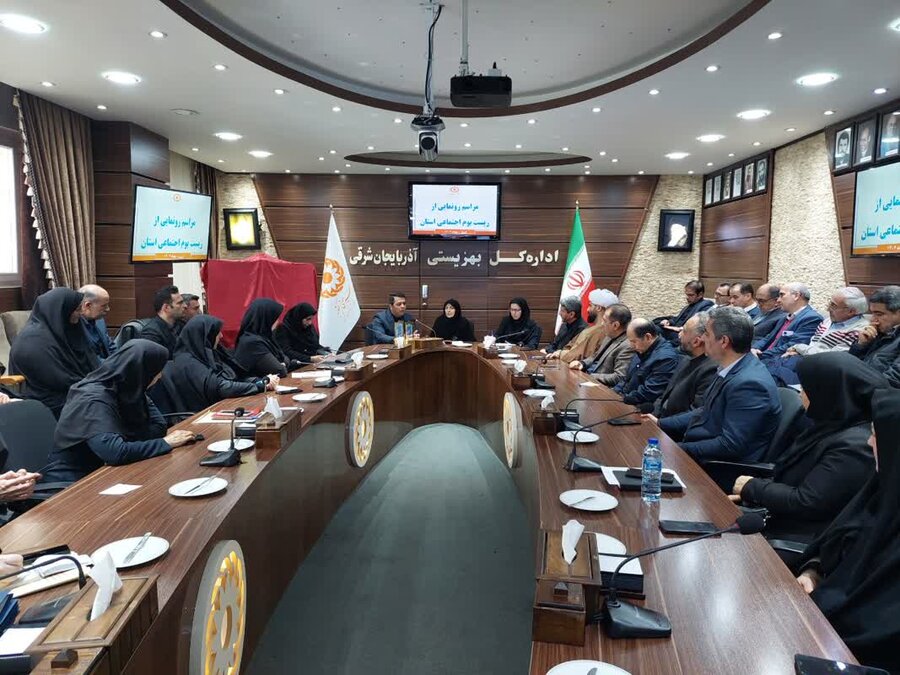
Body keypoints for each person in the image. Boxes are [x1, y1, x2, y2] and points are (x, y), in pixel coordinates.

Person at [794, 388, 900, 673]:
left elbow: (878, 633)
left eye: (876, 435)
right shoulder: (881, 487)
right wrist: (813, 571)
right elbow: (835, 540)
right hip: (816, 623)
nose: (868, 441)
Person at [731, 353, 885, 543]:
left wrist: (753, 488)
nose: (800, 393)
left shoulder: (856, 445)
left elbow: (807, 502)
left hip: (801, 538)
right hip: (776, 517)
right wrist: (753, 493)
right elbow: (794, 478)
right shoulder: (830, 424)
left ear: (827, 394)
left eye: (805, 388)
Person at [42, 340, 196, 484]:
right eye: (156, 370)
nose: (160, 376)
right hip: (73, 481)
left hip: (109, 471)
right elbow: (114, 452)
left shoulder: (128, 388)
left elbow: (159, 427)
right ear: (142, 370)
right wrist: (165, 443)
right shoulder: (92, 398)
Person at [659, 306, 781, 462]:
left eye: (707, 333)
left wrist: (677, 449)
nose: (702, 339)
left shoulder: (750, 384)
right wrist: (660, 424)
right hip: (701, 448)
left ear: (723, 341)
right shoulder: (730, 367)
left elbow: (730, 445)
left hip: (720, 466)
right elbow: (705, 411)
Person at [152, 315, 277, 415]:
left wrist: (260, 381)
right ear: (207, 335)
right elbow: (221, 387)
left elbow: (233, 377)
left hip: (220, 407)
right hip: (201, 415)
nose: (221, 336)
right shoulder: (188, 360)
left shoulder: (209, 353)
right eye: (218, 333)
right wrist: (258, 386)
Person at [8, 288, 99, 418]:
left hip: (75, 390)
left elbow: (90, 359)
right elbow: (58, 379)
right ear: (60, 311)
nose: (81, 313)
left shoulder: (68, 329)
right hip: (47, 399)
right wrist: (92, 385)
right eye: (77, 309)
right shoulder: (32, 342)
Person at [765, 287, 869, 386]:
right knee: (764, 370)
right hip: (801, 361)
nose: (828, 308)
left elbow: (833, 357)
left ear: (851, 311)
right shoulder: (828, 321)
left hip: (819, 371)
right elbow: (813, 345)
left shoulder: (859, 330)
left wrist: (799, 348)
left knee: (771, 379)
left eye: (833, 305)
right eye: (830, 303)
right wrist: (799, 351)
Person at [644, 313, 716, 422]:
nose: (679, 334)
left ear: (696, 341)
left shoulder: (710, 370)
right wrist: (654, 415)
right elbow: (665, 396)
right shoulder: (686, 359)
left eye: (684, 331)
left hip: (673, 428)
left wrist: (661, 423)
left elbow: (695, 414)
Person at [613, 318, 680, 411]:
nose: (631, 346)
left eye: (633, 341)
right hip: (623, 399)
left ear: (648, 337)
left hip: (638, 408)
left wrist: (622, 399)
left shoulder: (666, 358)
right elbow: (626, 379)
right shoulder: (642, 349)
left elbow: (649, 392)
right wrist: (613, 393)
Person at [752, 283, 824, 363]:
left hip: (779, 362)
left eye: (782, 295)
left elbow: (793, 346)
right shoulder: (785, 316)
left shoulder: (811, 318)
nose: (778, 300)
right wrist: (754, 349)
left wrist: (760, 355)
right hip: (765, 358)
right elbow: (768, 338)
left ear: (796, 296)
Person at [570, 303, 635, 387]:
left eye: (604, 321)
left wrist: (590, 376)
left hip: (599, 386)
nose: (601, 323)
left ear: (615, 325)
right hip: (587, 378)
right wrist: (582, 363)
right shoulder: (609, 335)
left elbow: (619, 377)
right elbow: (595, 356)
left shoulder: (628, 346)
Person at [850, 286, 900, 387]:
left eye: (879, 314)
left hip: (873, 392)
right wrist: (861, 344)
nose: (873, 320)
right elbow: (851, 362)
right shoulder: (880, 332)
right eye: (872, 313)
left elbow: (893, 380)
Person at [550, 289, 617, 364]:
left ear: (598, 308)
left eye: (590, 305)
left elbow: (575, 355)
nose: (587, 309)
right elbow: (570, 346)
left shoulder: (595, 332)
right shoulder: (593, 330)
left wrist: (560, 353)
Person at [233, 298, 296, 378]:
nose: (278, 322)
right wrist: (282, 364)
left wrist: (282, 364)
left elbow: (286, 359)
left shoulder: (266, 337)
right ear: (267, 319)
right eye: (275, 318)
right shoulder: (252, 342)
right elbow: (279, 371)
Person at [141, 285, 185, 357]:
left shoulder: (181, 325)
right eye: (180, 303)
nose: (185, 306)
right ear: (166, 307)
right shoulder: (151, 333)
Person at [79, 284, 116, 359]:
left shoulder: (99, 320)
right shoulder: (74, 325)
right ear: (88, 305)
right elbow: (86, 358)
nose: (108, 309)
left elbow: (110, 346)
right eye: (104, 306)